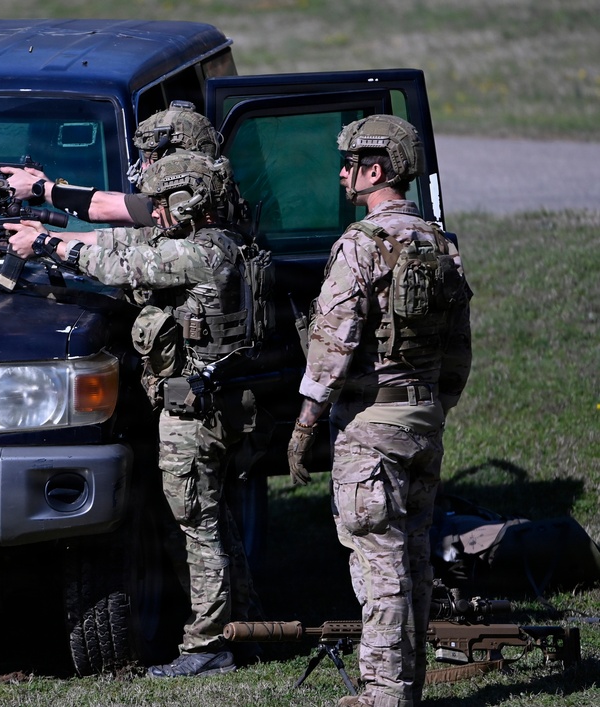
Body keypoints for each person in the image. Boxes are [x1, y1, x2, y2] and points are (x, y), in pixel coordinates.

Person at [5, 150, 261, 678]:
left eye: (163, 202)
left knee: (196, 524)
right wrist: (55, 222)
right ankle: (246, 624)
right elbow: (124, 242)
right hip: (213, 408)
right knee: (213, 520)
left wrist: (47, 244)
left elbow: (121, 263)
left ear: (191, 201)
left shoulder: (200, 256)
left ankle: (208, 644)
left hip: (194, 416)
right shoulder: (224, 243)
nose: (156, 212)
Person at [286, 114, 473, 707]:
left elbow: (333, 344)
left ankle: (385, 697)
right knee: (413, 560)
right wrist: (432, 405)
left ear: (376, 171)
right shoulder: (441, 244)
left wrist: (304, 425)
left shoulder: (360, 247)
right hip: (423, 423)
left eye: (349, 164)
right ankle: (406, 689)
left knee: (379, 566)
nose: (342, 175)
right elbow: (459, 350)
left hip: (370, 431)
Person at [2, 100, 221, 226]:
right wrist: (52, 189)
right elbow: (121, 201)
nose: (144, 168)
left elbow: (102, 206)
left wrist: (39, 190)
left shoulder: (181, 204)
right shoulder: (207, 187)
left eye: (150, 159)